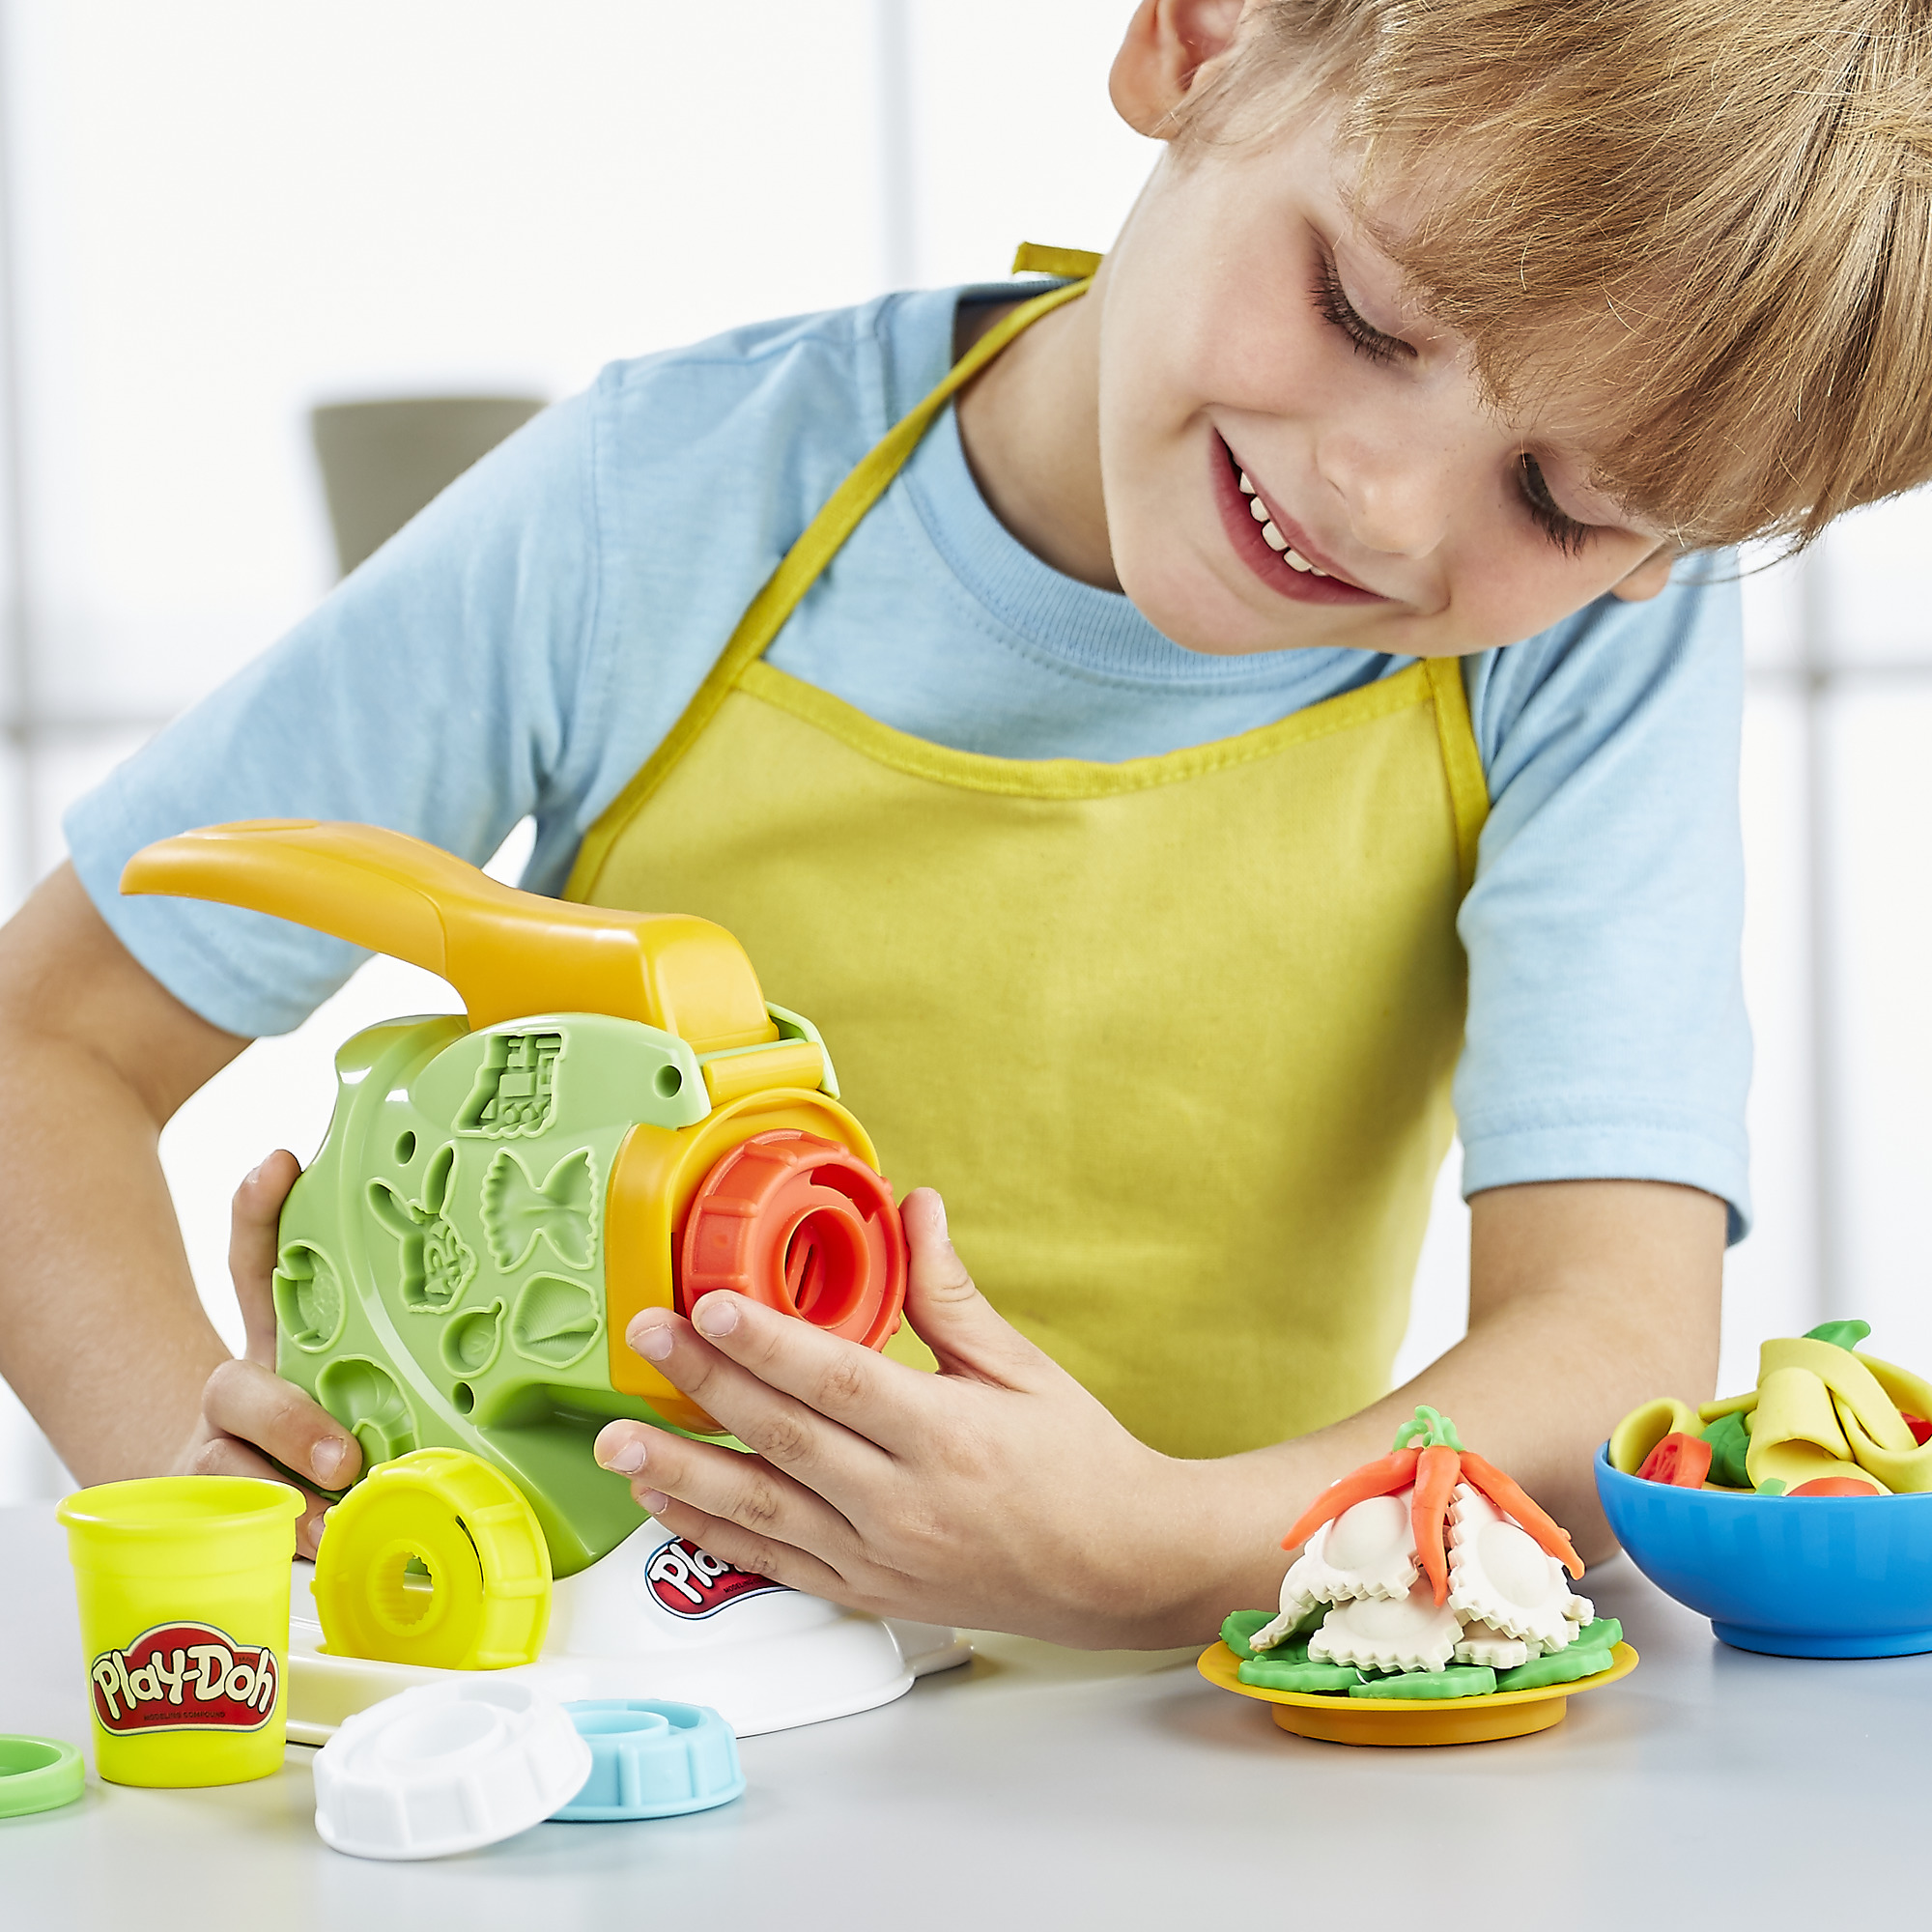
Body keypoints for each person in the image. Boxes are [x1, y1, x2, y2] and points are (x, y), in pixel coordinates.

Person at [3, 0, 1927, 1648]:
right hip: (632, 1733)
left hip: (1197, 1742)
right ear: (1200, 37)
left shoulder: (1583, 648)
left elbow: (1608, 1348)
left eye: (1564, 499)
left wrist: (1156, 1557)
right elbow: (41, 1047)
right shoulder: (657, 503)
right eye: (1362, 311)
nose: (1387, 502)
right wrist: (215, 1494)